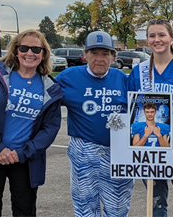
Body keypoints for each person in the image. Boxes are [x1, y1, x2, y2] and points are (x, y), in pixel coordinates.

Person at [0, 29, 63, 217]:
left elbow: (50, 128)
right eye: (24, 47)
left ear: (44, 54)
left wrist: (23, 153)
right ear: (16, 50)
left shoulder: (50, 87)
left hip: (24, 159)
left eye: (36, 49)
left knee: (25, 211)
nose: (29, 53)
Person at [127, 19, 173, 217]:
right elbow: (131, 108)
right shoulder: (138, 72)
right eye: (152, 35)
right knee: (156, 201)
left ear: (172, 38)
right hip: (150, 146)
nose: (157, 40)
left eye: (161, 35)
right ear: (147, 40)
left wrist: (172, 110)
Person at [55, 30, 134, 217]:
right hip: (84, 151)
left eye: (105, 53)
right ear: (85, 55)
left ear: (113, 56)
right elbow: (43, 102)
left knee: (118, 210)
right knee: (85, 210)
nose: (99, 58)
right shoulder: (68, 78)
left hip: (117, 152)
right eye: (94, 53)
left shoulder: (123, 79)